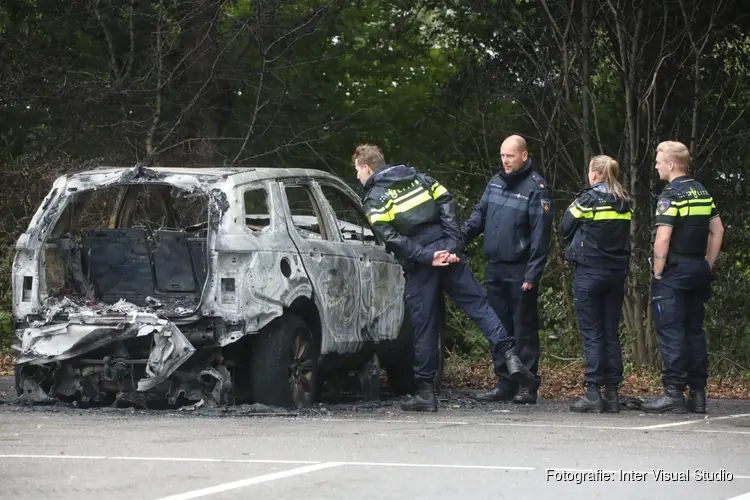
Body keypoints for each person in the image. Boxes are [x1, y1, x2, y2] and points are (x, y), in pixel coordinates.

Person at [353, 143, 534, 412]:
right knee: (480, 307)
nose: (357, 176)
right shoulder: (419, 178)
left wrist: (428, 256)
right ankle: (510, 356)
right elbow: (446, 201)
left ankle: (425, 392)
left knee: (425, 326)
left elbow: (390, 237)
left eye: (357, 171)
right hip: (446, 252)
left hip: (421, 264)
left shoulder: (375, 198)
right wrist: (451, 243)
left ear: (367, 168)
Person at [463, 135, 553, 404]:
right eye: (502, 155)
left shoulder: (536, 187)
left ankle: (527, 384)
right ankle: (504, 381)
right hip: (496, 266)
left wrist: (533, 273)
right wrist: (456, 241)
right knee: (499, 327)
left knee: (523, 327)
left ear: (524, 156)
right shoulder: (495, 182)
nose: (505, 160)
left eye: (510, 156)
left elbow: (540, 235)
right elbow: (478, 216)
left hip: (520, 268)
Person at [642, 141, 724, 414]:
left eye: (658, 160)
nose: (655, 165)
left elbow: (662, 238)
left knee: (671, 331)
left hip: (674, 273)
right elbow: (718, 230)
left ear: (672, 164)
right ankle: (698, 394)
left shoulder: (671, 194)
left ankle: (673, 393)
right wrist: (707, 264)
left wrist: (657, 271)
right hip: (697, 270)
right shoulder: (701, 191)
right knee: (694, 331)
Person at [561, 155, 632, 413]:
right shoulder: (625, 201)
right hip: (616, 274)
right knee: (611, 333)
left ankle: (592, 392)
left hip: (590, 272)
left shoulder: (587, 199)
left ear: (593, 174)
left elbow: (565, 226)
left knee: (592, 333)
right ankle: (612, 393)